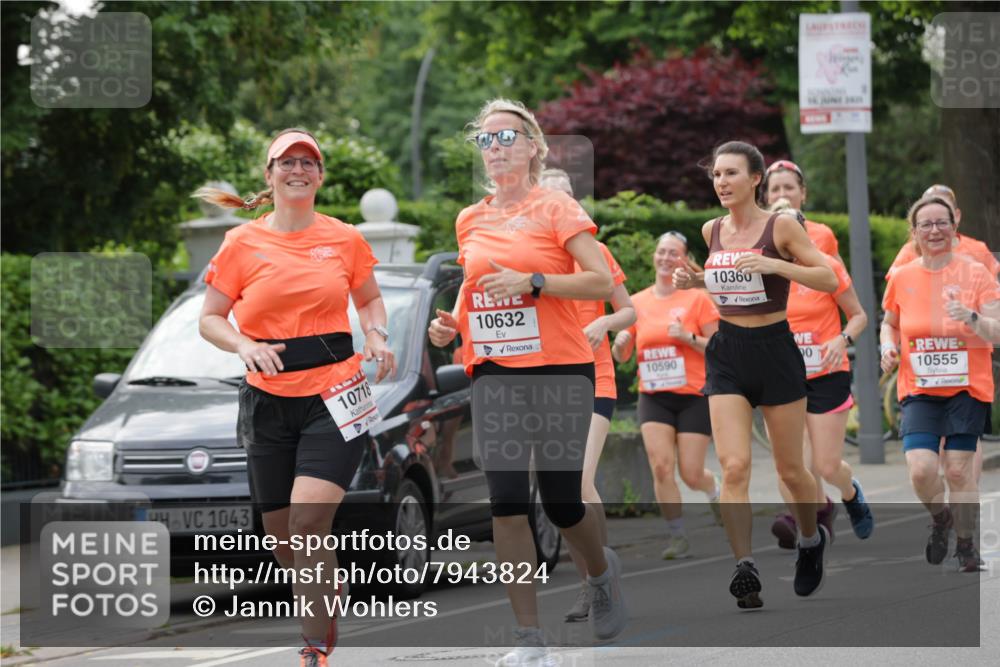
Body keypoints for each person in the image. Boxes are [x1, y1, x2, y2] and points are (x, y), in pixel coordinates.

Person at [428, 99, 627, 665]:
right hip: (495, 373)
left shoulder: (556, 208)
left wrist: (535, 282)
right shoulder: (471, 218)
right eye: (485, 140)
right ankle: (528, 639)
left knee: (564, 504)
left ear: (534, 147)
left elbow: (598, 284)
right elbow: (476, 289)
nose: (495, 148)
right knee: (507, 502)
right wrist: (454, 328)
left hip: (561, 368)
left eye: (506, 137)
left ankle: (599, 572)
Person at [196, 128, 396, 667]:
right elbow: (210, 319)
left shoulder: (346, 238)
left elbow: (371, 300)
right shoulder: (242, 242)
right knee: (282, 537)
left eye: (309, 162)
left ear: (320, 176)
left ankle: (315, 648)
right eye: (287, 162)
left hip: (336, 392)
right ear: (270, 174)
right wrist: (243, 343)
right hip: (267, 400)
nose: (298, 170)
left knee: (309, 522)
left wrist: (376, 334)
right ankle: (327, 592)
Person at [672, 141, 838, 610]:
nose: (721, 182)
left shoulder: (780, 225)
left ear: (755, 179)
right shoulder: (712, 229)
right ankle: (745, 567)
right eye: (716, 175)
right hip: (727, 353)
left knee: (792, 471)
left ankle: (810, 539)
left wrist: (773, 263)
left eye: (730, 174)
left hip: (776, 351)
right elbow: (729, 279)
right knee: (735, 467)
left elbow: (827, 278)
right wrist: (697, 281)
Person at [537, 168, 637, 624]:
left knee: (579, 481)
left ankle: (597, 581)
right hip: (547, 383)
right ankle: (593, 578)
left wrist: (606, 324)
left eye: (566, 198)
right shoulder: (528, 257)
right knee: (558, 494)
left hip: (594, 379)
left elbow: (629, 309)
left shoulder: (594, 253)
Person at [880, 194, 1000, 572]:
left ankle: (966, 546)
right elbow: (890, 323)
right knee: (921, 469)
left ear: (954, 226)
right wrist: (887, 347)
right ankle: (940, 517)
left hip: (966, 388)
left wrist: (971, 317)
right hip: (919, 389)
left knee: (959, 471)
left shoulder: (976, 273)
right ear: (914, 233)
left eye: (941, 223)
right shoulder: (902, 276)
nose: (935, 230)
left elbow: (996, 333)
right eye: (926, 224)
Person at [765, 199, 874, 549]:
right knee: (792, 462)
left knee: (826, 466)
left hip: (826, 372)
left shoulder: (827, 267)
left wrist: (842, 341)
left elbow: (858, 316)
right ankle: (805, 520)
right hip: (783, 377)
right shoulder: (765, 273)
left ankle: (847, 492)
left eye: (793, 227)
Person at [611, 231, 722, 562]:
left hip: (692, 395)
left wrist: (687, 338)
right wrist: (619, 345)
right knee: (660, 467)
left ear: (685, 259)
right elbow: (623, 354)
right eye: (661, 252)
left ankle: (712, 488)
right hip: (654, 396)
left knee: (690, 473)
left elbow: (718, 348)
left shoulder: (697, 299)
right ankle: (677, 536)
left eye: (673, 253)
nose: (665, 258)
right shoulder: (638, 302)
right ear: (654, 257)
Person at [886, 185, 1000, 281]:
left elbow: (994, 293)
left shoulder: (978, 249)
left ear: (956, 216)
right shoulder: (910, 251)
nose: (935, 229)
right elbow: (896, 291)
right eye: (929, 213)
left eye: (944, 213)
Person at [761, 160, 842, 261]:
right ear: (767, 197)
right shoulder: (755, 233)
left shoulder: (823, 234)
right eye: (775, 189)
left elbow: (839, 275)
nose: (782, 194)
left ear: (803, 193)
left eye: (789, 187)